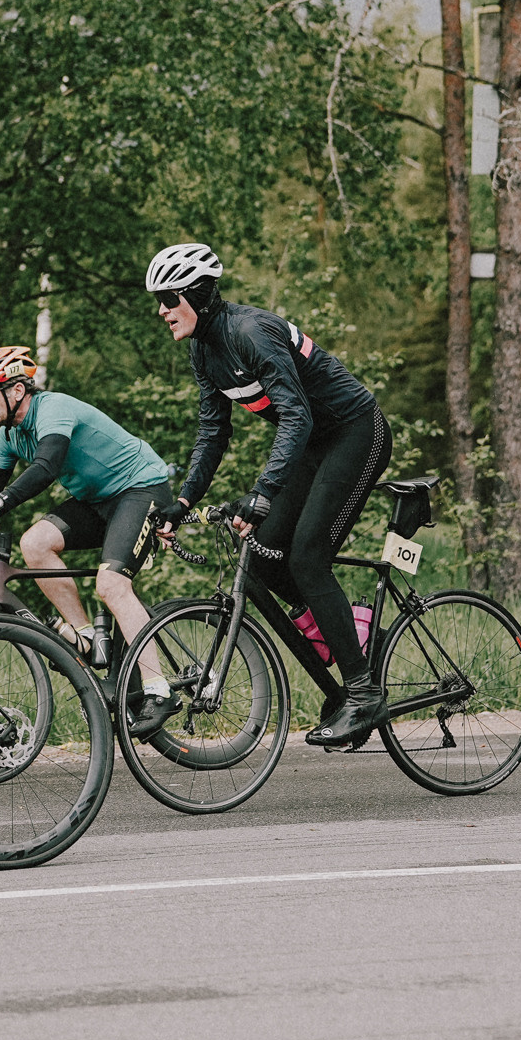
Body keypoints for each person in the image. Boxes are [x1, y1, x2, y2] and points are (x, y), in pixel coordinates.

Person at [143, 242, 392, 747]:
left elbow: (296, 415)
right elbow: (214, 432)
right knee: (262, 559)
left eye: (169, 298)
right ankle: (355, 636)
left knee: (306, 557)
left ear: (198, 293)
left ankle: (364, 695)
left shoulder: (250, 332)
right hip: (313, 443)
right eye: (158, 302)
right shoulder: (203, 349)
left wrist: (263, 493)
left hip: (354, 432)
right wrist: (185, 501)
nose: (162, 311)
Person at [0, 346, 181, 736]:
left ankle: (159, 689)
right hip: (96, 501)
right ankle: (86, 638)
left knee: (112, 584)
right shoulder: (8, 435)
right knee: (35, 543)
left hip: (141, 489)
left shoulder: (53, 408)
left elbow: (46, 467)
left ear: (15, 390)